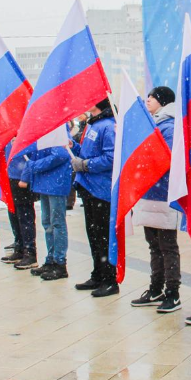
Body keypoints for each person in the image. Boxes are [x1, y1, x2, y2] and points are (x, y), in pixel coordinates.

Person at [130, 86, 183, 314]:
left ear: (162, 100)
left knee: (167, 246)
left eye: (151, 97)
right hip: (149, 193)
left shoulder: (168, 126)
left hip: (163, 195)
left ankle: (172, 293)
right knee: (154, 246)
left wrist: (141, 160)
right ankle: (156, 288)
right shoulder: (154, 124)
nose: (147, 100)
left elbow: (166, 159)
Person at [71, 98, 117, 296]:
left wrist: (87, 165)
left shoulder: (108, 126)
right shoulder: (93, 124)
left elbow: (111, 157)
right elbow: (86, 152)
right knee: (93, 235)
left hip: (101, 190)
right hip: (88, 188)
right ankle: (97, 274)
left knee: (103, 237)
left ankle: (110, 280)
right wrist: (72, 146)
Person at [24, 141, 73, 281]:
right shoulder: (42, 130)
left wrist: (35, 165)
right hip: (44, 182)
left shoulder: (56, 129)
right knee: (47, 223)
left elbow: (61, 155)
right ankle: (51, 259)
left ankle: (60, 262)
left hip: (55, 182)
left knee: (57, 223)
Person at [2, 143, 38, 270]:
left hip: (22, 179)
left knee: (24, 216)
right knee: (14, 214)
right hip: (11, 175)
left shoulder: (25, 130)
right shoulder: (11, 131)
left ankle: (30, 252)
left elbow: (33, 155)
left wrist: (25, 177)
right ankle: (20, 247)